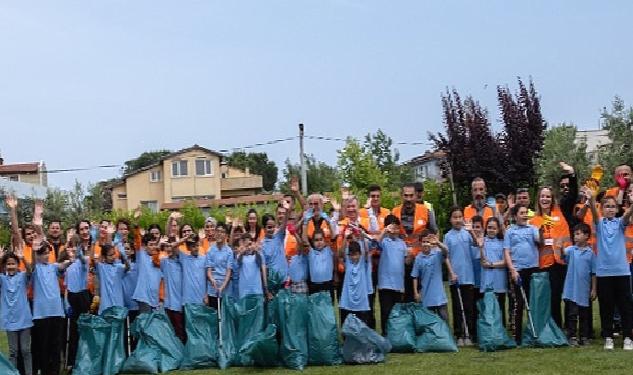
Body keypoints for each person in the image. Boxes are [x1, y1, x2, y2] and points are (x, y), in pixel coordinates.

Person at [586, 187, 633, 350]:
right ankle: (608, 337)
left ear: (617, 209)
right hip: (604, 273)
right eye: (607, 206)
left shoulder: (620, 224)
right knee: (606, 306)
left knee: (625, 306)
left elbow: (627, 216)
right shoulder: (599, 225)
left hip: (622, 271)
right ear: (603, 209)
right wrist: (592, 199)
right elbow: (593, 210)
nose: (610, 209)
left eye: (613, 206)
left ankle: (627, 337)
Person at [530, 186, 571, 327]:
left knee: (556, 298)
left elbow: (566, 239)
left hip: (558, 263)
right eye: (542, 196)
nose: (545, 199)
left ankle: (557, 327)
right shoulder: (533, 220)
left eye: (548, 196)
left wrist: (564, 253)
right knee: (543, 298)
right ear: (538, 199)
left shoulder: (559, 218)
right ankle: (543, 327)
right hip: (541, 264)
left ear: (552, 199)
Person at [31, 237, 72, 375]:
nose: (46, 255)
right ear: (38, 255)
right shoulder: (35, 268)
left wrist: (70, 260)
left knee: (56, 344)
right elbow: (30, 264)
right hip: (41, 314)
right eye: (43, 253)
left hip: (57, 312)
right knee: (43, 345)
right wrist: (33, 250)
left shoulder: (53, 266)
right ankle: (44, 370)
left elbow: (62, 266)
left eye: (48, 252)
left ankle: (55, 370)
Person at [504, 204, 541, 344]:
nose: (525, 215)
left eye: (526, 212)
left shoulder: (533, 228)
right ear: (515, 216)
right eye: (521, 213)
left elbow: (539, 241)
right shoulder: (510, 231)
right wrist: (512, 270)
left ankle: (535, 332)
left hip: (533, 268)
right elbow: (506, 251)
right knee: (519, 303)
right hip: (518, 270)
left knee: (533, 302)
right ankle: (517, 336)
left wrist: (540, 227)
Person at [392, 183, 433, 303]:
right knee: (403, 299)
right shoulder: (394, 212)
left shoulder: (426, 211)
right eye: (406, 196)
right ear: (401, 196)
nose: (408, 199)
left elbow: (434, 233)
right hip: (401, 262)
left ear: (416, 196)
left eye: (411, 195)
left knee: (422, 297)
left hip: (421, 261)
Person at [444, 207, 477, 346]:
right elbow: (446, 256)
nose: (458, 220)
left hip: (468, 276)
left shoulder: (468, 233)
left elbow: (477, 244)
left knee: (469, 307)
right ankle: (459, 334)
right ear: (451, 220)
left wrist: (472, 232)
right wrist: (451, 273)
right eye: (455, 217)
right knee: (457, 307)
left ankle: (470, 333)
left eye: (460, 217)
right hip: (455, 277)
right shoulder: (447, 236)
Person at [562, 223, 596, 346]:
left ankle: (584, 336)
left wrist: (594, 289)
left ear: (586, 236)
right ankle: (572, 336)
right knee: (572, 314)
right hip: (571, 289)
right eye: (574, 234)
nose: (575, 236)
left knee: (584, 315)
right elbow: (563, 255)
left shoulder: (591, 253)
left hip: (584, 289)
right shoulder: (571, 250)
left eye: (578, 234)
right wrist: (560, 248)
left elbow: (593, 273)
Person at [0, 247, 33, 375]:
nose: (11, 266)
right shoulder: (2, 279)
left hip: (24, 319)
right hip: (9, 321)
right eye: (8, 264)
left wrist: (23, 257)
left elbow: (30, 270)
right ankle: (13, 373)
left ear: (17, 264)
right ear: (4, 266)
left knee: (25, 350)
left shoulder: (22, 276)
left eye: (13, 263)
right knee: (13, 352)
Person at [377, 215, 411, 335]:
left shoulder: (402, 243)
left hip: (398, 284)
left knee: (397, 311)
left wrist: (411, 255)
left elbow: (407, 261)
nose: (394, 231)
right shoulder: (384, 242)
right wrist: (384, 231)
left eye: (397, 228)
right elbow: (376, 242)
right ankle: (386, 334)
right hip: (385, 284)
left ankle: (396, 335)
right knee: (386, 311)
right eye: (392, 228)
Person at [60, 234, 90, 370]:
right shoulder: (68, 266)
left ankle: (85, 360)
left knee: (84, 330)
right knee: (72, 331)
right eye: (71, 247)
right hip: (71, 297)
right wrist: (66, 301)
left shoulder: (84, 261)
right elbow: (66, 286)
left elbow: (83, 261)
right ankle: (71, 361)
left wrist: (79, 254)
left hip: (82, 297)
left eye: (75, 247)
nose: (72, 250)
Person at [412, 230, 452, 321]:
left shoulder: (437, 254)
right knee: (429, 323)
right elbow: (415, 276)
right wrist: (416, 293)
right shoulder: (418, 258)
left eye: (428, 242)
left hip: (439, 296)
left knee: (444, 321)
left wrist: (438, 243)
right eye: (424, 242)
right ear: (420, 243)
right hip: (426, 297)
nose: (426, 244)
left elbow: (446, 251)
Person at [479, 217, 508, 326]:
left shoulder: (502, 242)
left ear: (498, 230)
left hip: (499, 281)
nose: (491, 230)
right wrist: (481, 248)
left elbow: (505, 262)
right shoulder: (483, 241)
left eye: (494, 228)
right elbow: (482, 261)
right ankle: (489, 333)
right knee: (488, 309)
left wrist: (491, 264)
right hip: (487, 281)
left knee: (500, 308)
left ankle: (501, 331)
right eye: (489, 227)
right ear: (486, 228)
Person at [338, 238, 371, 326]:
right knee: (347, 328)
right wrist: (345, 237)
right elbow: (341, 254)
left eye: (356, 254)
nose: (354, 257)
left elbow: (367, 251)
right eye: (351, 255)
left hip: (361, 302)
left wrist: (363, 237)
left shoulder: (363, 263)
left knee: (361, 329)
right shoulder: (348, 263)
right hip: (348, 301)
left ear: (360, 254)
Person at [132, 232, 163, 313]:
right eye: (150, 244)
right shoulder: (142, 255)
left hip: (155, 299)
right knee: (145, 323)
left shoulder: (159, 260)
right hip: (143, 297)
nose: (153, 247)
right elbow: (137, 242)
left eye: (154, 244)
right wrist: (137, 226)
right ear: (145, 246)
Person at [160, 240, 185, 343]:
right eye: (167, 247)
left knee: (180, 328)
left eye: (171, 247)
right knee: (170, 330)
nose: (169, 249)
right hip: (167, 302)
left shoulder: (181, 262)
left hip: (179, 302)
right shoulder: (163, 262)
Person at [206, 223, 233, 308]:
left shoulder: (229, 251)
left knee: (224, 316)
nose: (219, 234)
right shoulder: (210, 250)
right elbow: (209, 271)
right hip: (212, 289)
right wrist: (212, 279)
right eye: (218, 231)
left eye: (222, 232)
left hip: (225, 289)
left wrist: (222, 287)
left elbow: (228, 272)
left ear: (226, 235)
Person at [304, 228, 336, 301]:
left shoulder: (329, 250)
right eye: (316, 240)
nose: (319, 242)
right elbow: (304, 240)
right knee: (315, 311)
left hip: (327, 285)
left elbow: (333, 236)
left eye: (321, 239)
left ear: (324, 240)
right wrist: (306, 221)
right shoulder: (311, 252)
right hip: (314, 286)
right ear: (312, 242)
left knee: (328, 311)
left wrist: (327, 220)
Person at [235, 233, 270, 299]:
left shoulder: (258, 254)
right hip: (244, 289)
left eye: (249, 244)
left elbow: (259, 263)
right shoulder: (239, 255)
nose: (248, 246)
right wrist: (242, 252)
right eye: (245, 244)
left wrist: (256, 251)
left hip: (257, 288)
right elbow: (238, 263)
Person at [261, 213, 288, 294]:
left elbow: (285, 221)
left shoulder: (279, 237)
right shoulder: (262, 245)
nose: (272, 229)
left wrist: (287, 209)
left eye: (273, 227)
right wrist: (266, 288)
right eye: (269, 227)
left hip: (285, 282)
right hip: (272, 284)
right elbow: (264, 268)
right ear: (264, 228)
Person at [178, 233, 208, 305]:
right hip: (188, 300)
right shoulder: (184, 258)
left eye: (197, 245)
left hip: (201, 299)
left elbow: (208, 279)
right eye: (193, 246)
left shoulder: (204, 259)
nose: (196, 248)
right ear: (188, 248)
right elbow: (173, 246)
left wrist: (207, 294)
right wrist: (185, 239)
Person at [470, 215, 484, 299]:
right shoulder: (467, 243)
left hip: (483, 282)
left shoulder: (486, 242)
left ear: (482, 228)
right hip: (471, 282)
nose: (474, 229)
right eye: (473, 227)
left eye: (478, 227)